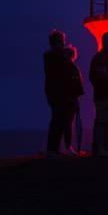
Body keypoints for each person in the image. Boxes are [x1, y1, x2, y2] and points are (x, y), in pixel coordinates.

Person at [43, 30, 83, 159]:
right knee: (58, 121)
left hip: (64, 94)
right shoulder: (54, 56)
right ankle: (52, 150)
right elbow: (61, 76)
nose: (62, 43)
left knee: (62, 121)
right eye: (60, 41)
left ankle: (56, 149)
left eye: (62, 41)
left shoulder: (56, 56)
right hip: (60, 94)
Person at [62, 44, 84, 156]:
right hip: (70, 99)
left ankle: (67, 147)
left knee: (67, 123)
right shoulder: (70, 67)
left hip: (70, 98)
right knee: (67, 123)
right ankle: (68, 147)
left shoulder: (68, 67)